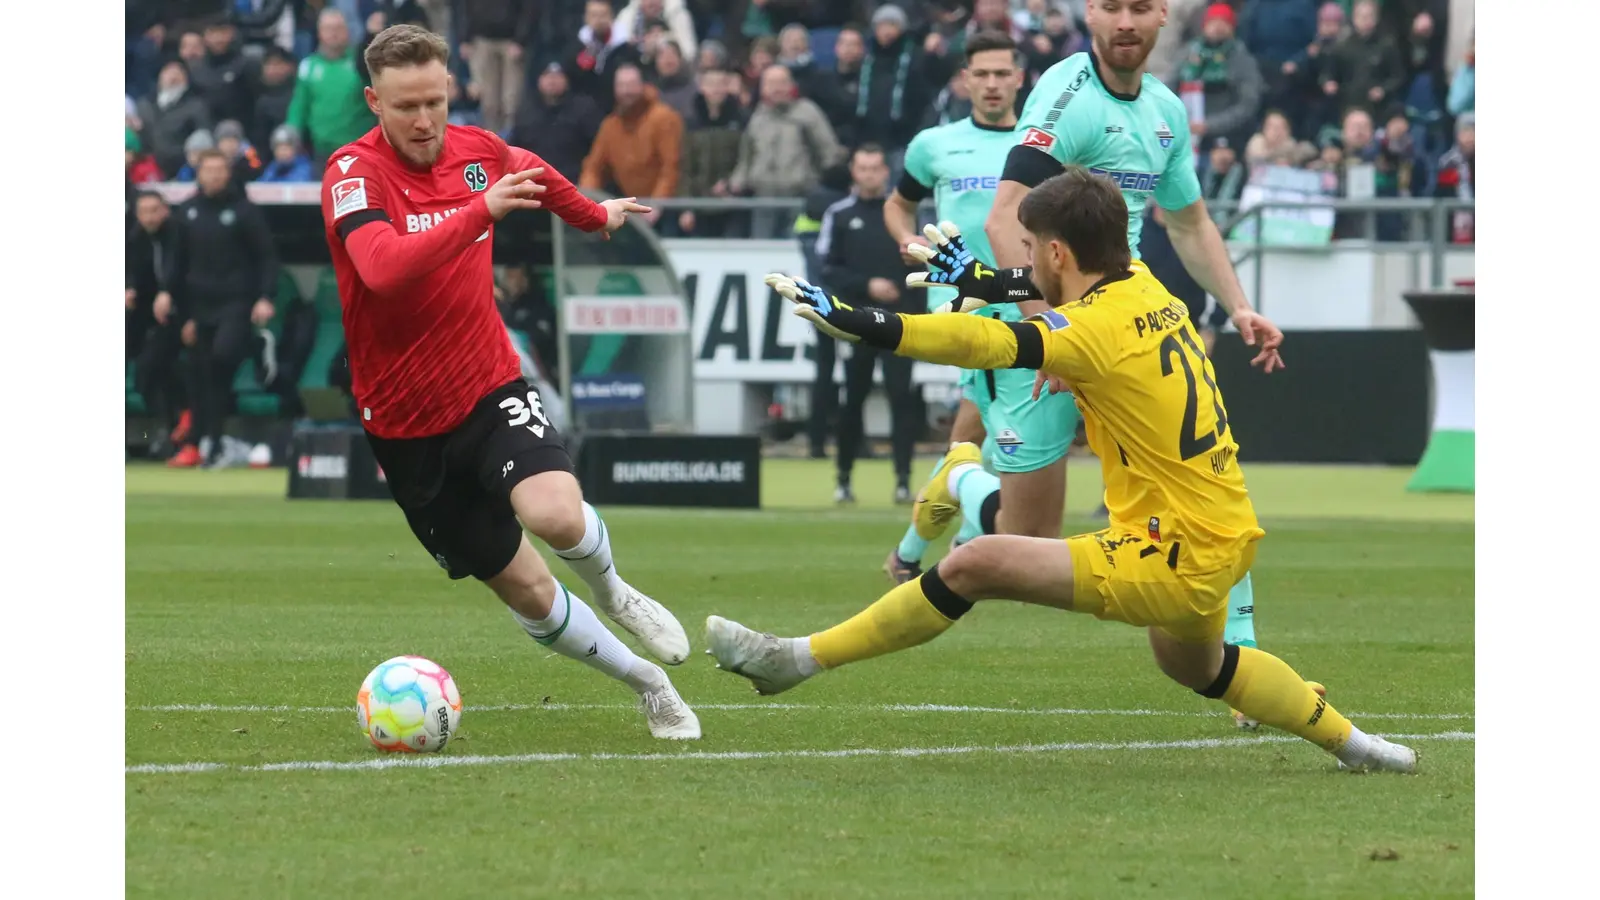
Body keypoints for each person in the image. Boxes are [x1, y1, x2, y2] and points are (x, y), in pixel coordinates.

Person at [707, 167, 1416, 776]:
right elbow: (1052, 301)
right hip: (1222, 533)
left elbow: (982, 338)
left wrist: (869, 325)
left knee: (974, 562)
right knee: (1198, 668)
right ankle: (1356, 745)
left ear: (1055, 250)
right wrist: (987, 278)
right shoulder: (1146, 287)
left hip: (1170, 550)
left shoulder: (1090, 331)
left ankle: (792, 660)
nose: (1024, 262)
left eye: (1026, 250)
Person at [319, 24, 697, 740]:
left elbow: (533, 171)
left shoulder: (479, 152)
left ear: (450, 89)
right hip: (404, 426)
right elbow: (382, 269)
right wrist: (478, 213)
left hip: (488, 386)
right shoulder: (351, 174)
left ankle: (615, 591)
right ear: (374, 101)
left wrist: (595, 217)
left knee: (555, 513)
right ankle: (647, 681)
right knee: (526, 588)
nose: (424, 120)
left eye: (434, 100)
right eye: (405, 107)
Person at [959, 0, 1287, 730]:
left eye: (1139, 6)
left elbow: (1190, 219)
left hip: (1124, 332)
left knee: (1199, 481)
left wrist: (1237, 307)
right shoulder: (1068, 97)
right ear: (1089, 16)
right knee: (1028, 536)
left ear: (1163, 14)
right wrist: (1051, 335)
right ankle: (960, 481)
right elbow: (1004, 218)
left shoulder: (1165, 112)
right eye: (1111, 7)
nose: (1125, 21)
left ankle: (1242, 650)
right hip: (1048, 323)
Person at [880, 31, 1082, 586]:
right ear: (965, 80)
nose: (992, 84)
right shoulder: (934, 145)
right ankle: (963, 538)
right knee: (995, 464)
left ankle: (912, 553)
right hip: (974, 310)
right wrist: (905, 237)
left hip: (1036, 302)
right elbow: (897, 205)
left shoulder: (1045, 145)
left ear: (1020, 79)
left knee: (968, 440)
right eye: (982, 74)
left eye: (1002, 74)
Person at [818, 143, 919, 504]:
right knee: (853, 400)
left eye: (875, 168)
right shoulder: (840, 214)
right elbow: (827, 269)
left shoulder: (903, 214)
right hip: (857, 324)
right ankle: (843, 478)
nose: (869, 175)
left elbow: (924, 263)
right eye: (862, 168)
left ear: (885, 172)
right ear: (853, 171)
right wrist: (866, 286)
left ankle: (904, 480)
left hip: (902, 325)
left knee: (902, 399)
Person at [166, 150, 279, 469]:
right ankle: (207, 442)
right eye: (208, 170)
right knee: (200, 372)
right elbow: (178, 266)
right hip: (199, 306)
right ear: (198, 173)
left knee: (221, 359)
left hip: (236, 302)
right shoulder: (186, 212)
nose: (214, 176)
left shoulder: (244, 211)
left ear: (228, 174)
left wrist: (265, 296)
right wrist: (182, 313)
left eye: (219, 170)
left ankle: (214, 439)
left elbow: (266, 258)